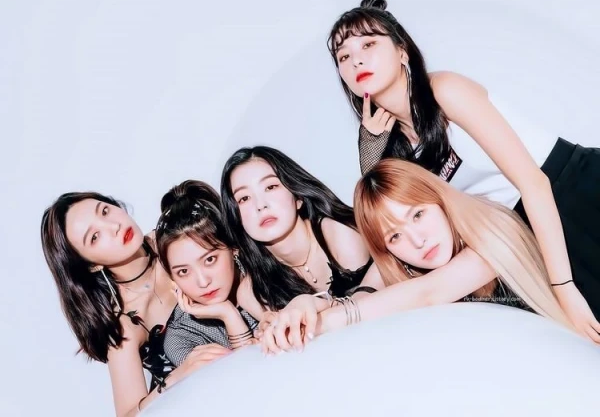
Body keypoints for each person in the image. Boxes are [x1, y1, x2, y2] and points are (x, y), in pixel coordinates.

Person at [326, 0, 600, 340]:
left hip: (574, 191)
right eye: (344, 56)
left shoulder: (444, 91)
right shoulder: (390, 148)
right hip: (526, 232)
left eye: (369, 44)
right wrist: (369, 152)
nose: (356, 61)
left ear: (402, 51)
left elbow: (534, 182)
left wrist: (563, 286)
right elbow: (384, 222)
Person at [259, 158, 578, 355]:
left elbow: (429, 293)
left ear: (438, 198)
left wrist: (322, 324)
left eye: (418, 214)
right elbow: (363, 296)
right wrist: (304, 304)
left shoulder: (491, 225)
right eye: (394, 236)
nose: (417, 240)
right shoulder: (405, 266)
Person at [41, 192, 228, 417]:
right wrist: (178, 376)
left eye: (105, 211)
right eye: (95, 237)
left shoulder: (175, 237)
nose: (114, 227)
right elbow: (128, 414)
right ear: (91, 266)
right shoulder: (126, 324)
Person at [220, 146, 382, 313]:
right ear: (236, 217)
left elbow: (372, 311)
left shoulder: (340, 235)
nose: (260, 205)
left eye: (271, 187)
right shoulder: (252, 293)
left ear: (297, 197)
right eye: (244, 198)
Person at [155, 180, 260, 367]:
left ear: (233, 248)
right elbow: (249, 372)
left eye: (210, 260)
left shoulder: (269, 276)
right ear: (172, 277)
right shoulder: (180, 337)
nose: (203, 282)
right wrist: (228, 314)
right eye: (183, 271)